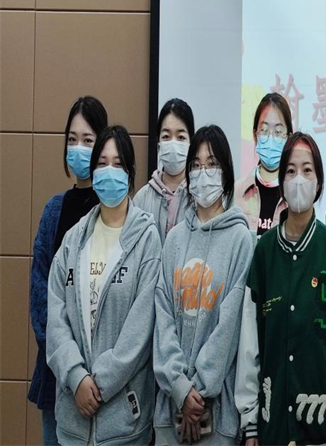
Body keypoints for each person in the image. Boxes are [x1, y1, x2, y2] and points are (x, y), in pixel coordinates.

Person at [46, 125, 162, 446]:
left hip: (124, 423)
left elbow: (141, 329)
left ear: (131, 173)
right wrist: (76, 377)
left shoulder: (147, 239)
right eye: (102, 163)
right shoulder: (74, 240)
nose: (109, 171)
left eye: (118, 164)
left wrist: (98, 384)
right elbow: (56, 318)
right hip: (73, 419)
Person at [237, 132, 326, 446]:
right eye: (290, 171)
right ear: (281, 181)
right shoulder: (263, 252)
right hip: (271, 426)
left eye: (307, 170)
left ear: (319, 181)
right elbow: (250, 343)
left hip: (318, 428)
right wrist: (250, 423)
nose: (298, 179)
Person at [153, 125, 255, 445]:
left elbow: (229, 328)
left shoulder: (241, 240)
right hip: (169, 412)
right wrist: (180, 389)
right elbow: (163, 319)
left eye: (211, 164)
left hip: (217, 415)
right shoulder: (174, 239)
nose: (203, 172)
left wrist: (198, 391)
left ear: (226, 172)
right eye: (195, 165)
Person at [29, 96, 108, 446]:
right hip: (57, 375)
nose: (78, 148)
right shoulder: (54, 211)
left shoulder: (117, 212)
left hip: (106, 384)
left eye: (88, 140)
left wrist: (95, 375)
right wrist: (70, 369)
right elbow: (40, 297)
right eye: (72, 139)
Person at [134, 98, 195, 242]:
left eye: (181, 137)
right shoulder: (141, 199)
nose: (173, 143)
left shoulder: (199, 196)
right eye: (166, 136)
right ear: (158, 144)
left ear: (191, 143)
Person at [236, 92, 292, 238]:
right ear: (255, 135)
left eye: (278, 132)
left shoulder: (295, 196)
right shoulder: (236, 193)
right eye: (264, 130)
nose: (271, 137)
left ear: (289, 138)